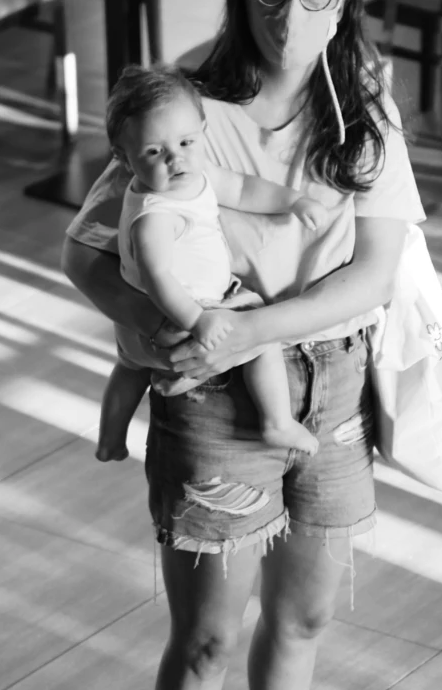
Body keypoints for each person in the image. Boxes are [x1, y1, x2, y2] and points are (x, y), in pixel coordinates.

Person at [63, 0, 422, 690]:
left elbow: (372, 272)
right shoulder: (188, 106)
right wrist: (149, 328)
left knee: (303, 618)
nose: (290, 8)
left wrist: (248, 327)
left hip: (331, 387)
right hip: (213, 408)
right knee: (210, 634)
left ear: (340, 2)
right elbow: (85, 250)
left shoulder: (363, 120)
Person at [96, 60, 330, 464]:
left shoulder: (195, 177)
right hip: (183, 310)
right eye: (155, 152)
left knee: (128, 368)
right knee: (261, 333)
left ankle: (110, 438)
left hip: (143, 322)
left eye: (186, 143)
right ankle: (276, 420)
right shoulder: (155, 216)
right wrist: (197, 320)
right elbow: (158, 278)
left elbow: (241, 189)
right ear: (123, 156)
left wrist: (293, 201)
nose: (176, 160)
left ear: (203, 131)